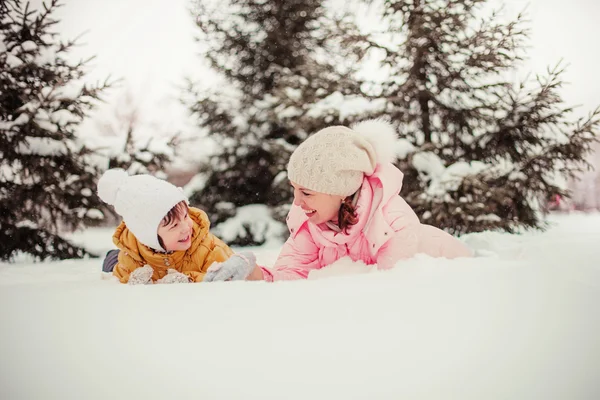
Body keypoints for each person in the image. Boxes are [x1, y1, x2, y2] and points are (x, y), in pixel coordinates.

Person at [206, 118, 473, 282]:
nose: (296, 203)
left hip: (458, 278)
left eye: (307, 192)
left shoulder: (390, 224)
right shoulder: (309, 223)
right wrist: (253, 274)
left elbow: (392, 293)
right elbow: (291, 275)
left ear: (341, 190)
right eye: (294, 189)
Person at [98, 169, 257, 284]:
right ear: (149, 237)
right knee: (112, 262)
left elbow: (223, 276)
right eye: (174, 226)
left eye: (186, 216)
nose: (186, 227)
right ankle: (111, 255)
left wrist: (189, 278)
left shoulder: (209, 248)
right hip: (132, 255)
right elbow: (122, 274)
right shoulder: (133, 254)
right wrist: (135, 280)